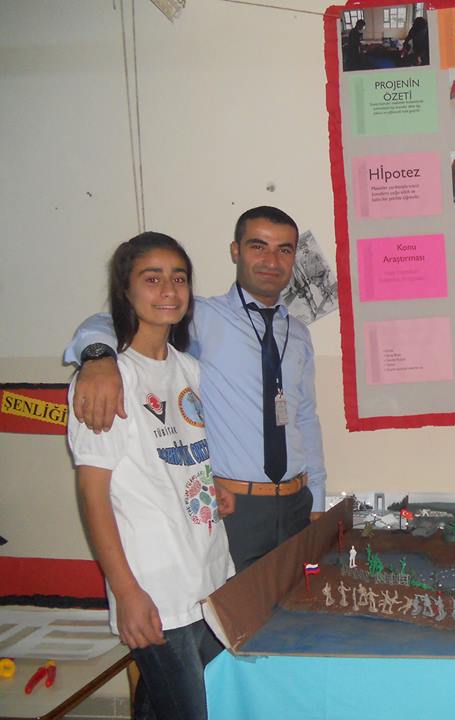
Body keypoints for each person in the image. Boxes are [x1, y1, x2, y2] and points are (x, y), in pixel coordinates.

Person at [66, 207, 327, 572]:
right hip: (235, 506)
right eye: (258, 246)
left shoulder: (298, 334)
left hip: (297, 503)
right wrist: (97, 357)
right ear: (235, 250)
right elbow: (110, 320)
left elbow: (305, 418)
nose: (272, 261)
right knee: (234, 605)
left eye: (284, 249)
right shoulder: (200, 316)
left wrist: (317, 500)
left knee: (296, 604)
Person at [67, 232, 234, 720]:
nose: (169, 290)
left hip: (209, 577)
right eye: (152, 278)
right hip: (156, 590)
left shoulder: (189, 370)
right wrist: (126, 593)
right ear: (126, 290)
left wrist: (212, 486)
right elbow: (93, 496)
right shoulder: (106, 381)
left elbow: (175, 459)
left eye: (179, 278)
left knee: (170, 706)